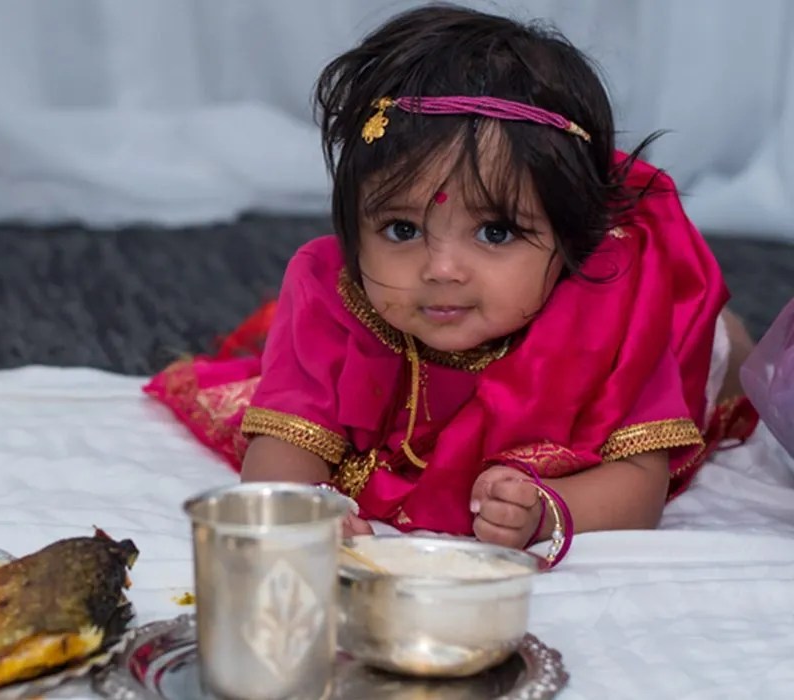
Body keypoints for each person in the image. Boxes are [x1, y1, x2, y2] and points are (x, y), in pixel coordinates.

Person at [144, 4, 757, 565]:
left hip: (670, 341)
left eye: (494, 233)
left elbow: (639, 485)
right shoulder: (336, 293)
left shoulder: (610, 314)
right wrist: (303, 515)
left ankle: (729, 342)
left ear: (570, 241)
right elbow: (283, 445)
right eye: (402, 228)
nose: (441, 269)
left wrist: (550, 510)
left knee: (722, 362)